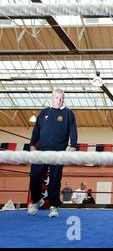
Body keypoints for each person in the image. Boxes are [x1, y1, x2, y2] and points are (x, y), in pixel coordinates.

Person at [27, 88, 78, 218]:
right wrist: (32, 144)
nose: (59, 100)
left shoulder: (68, 113)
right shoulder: (44, 112)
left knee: (55, 179)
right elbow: (36, 130)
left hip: (59, 151)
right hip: (42, 150)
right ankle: (37, 200)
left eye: (61, 98)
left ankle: (54, 206)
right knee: (34, 176)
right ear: (52, 97)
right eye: (56, 97)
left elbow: (73, 130)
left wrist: (72, 146)